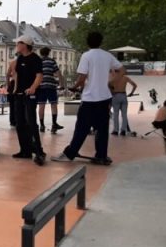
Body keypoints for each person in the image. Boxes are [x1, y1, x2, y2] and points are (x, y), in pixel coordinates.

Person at [52, 31, 122, 165]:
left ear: (88, 42)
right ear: (101, 42)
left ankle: (70, 153)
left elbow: (82, 77)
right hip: (105, 97)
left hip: (90, 98)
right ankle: (101, 155)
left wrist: (75, 86)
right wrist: (111, 82)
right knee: (102, 129)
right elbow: (122, 70)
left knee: (82, 128)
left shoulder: (86, 56)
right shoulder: (108, 56)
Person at [12, 36, 46, 165]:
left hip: (30, 95)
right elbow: (17, 75)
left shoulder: (35, 59)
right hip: (19, 94)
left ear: (25, 45)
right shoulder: (20, 58)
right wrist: (15, 88)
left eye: (18, 43)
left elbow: (39, 76)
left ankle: (39, 151)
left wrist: (32, 88)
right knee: (20, 123)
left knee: (31, 122)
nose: (16, 44)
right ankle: (25, 150)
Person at [36, 46, 65, 133]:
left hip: (40, 86)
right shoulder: (52, 61)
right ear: (48, 53)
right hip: (51, 86)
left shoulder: (38, 61)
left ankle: (41, 125)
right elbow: (58, 73)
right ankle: (54, 124)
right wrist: (61, 84)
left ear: (40, 53)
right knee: (53, 105)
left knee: (41, 106)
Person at [109, 66, 137, 136]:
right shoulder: (125, 78)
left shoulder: (113, 79)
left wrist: (112, 91)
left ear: (115, 71)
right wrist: (131, 93)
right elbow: (135, 85)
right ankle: (123, 131)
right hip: (124, 96)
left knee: (116, 114)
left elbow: (108, 85)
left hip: (115, 96)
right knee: (124, 115)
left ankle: (115, 130)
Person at [6, 56, 17, 127]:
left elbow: (7, 75)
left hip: (12, 84)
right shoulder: (23, 61)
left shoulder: (12, 62)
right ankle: (19, 120)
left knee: (12, 105)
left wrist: (8, 84)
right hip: (20, 84)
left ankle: (12, 121)